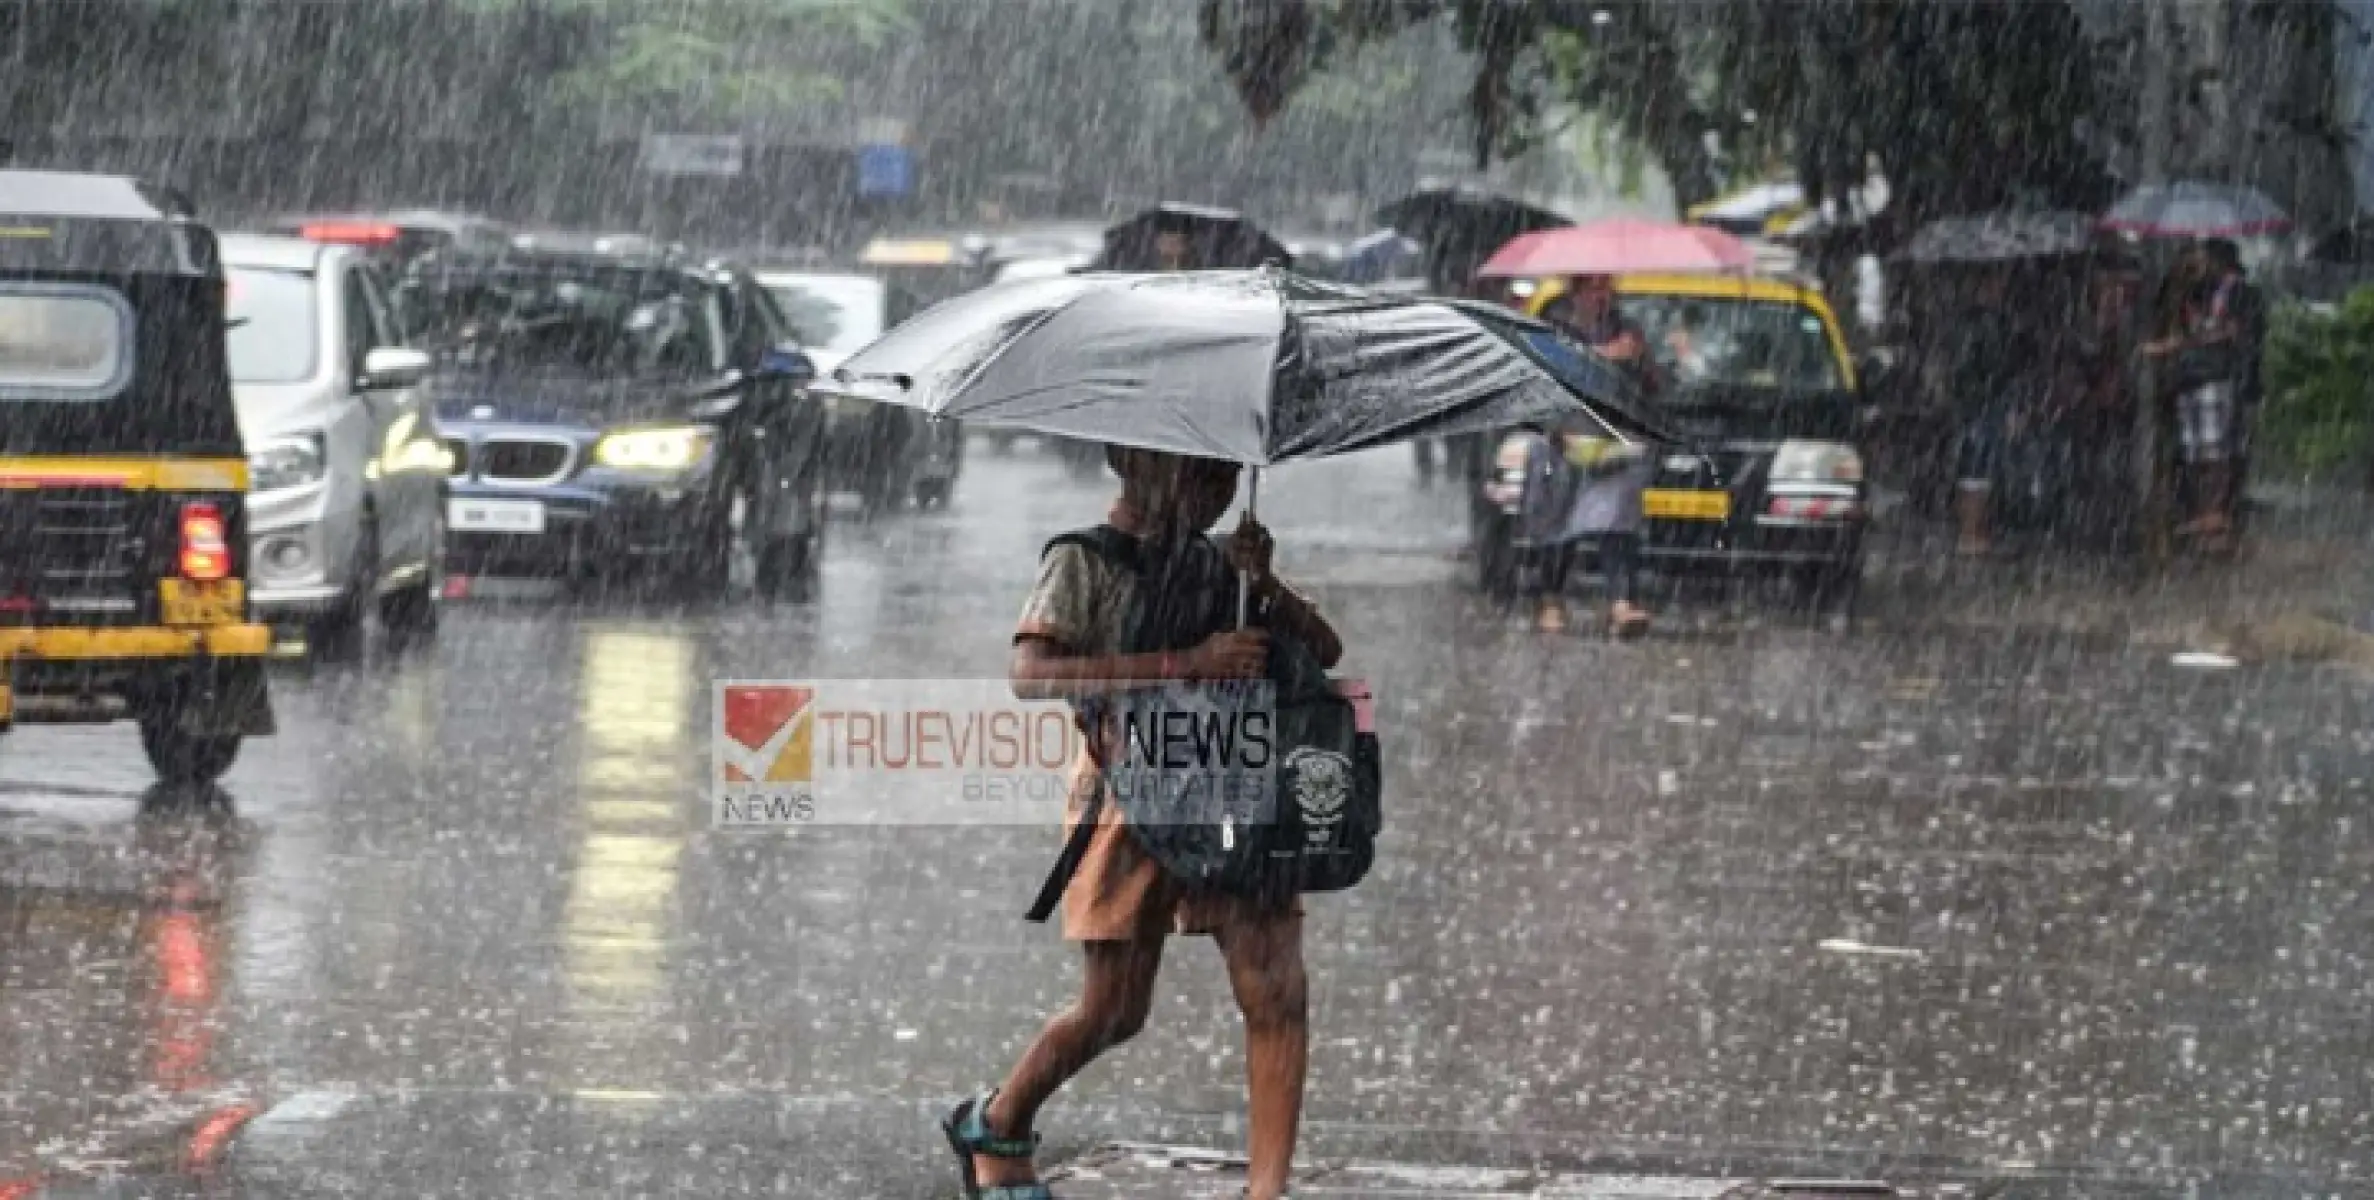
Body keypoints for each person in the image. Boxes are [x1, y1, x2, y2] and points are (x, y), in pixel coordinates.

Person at [943, 447, 1342, 1200]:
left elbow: (1324, 652)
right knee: (1115, 1008)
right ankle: (998, 1119)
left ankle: (1268, 1191)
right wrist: (1185, 663)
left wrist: (1264, 585)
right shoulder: (1082, 561)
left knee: (1275, 989)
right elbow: (1032, 674)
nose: (1216, 492)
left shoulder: (1222, 566)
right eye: (1197, 474)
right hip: (1126, 801)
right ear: (1132, 461)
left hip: (1235, 794)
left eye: (1225, 476)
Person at [2143, 243, 2242, 552]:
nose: (2196, 263)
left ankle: (2215, 514)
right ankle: (2203, 515)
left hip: (2214, 377)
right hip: (2187, 380)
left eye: (2200, 257)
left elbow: (2231, 332)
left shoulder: (2231, 290)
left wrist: (2182, 344)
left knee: (2214, 449)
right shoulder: (2183, 293)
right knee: (2194, 451)